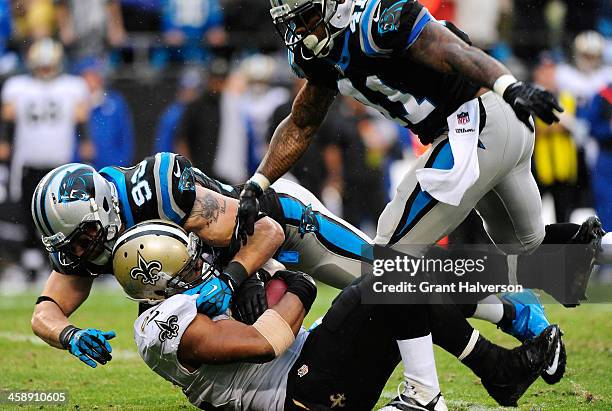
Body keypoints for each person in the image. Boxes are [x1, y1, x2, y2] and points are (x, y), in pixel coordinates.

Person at [233, 0, 571, 406]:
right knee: (529, 246)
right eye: (292, 22)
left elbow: (452, 49)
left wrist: (508, 84)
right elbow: (302, 122)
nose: (301, 30)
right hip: (504, 127)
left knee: (391, 263)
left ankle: (425, 393)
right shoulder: (318, 52)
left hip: (474, 124)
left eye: (304, 17)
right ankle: (582, 252)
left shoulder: (377, 19)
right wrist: (259, 180)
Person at [111, 220, 561, 410]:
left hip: (313, 374)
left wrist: (264, 284)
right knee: (386, 283)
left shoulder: (182, 299)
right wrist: (297, 286)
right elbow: (264, 343)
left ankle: (497, 365)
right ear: (157, 282)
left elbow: (267, 253)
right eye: (187, 267)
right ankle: (429, 395)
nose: (200, 267)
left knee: (407, 274)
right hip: (299, 395)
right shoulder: (164, 328)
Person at [0, 38, 91, 282]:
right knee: (29, 209)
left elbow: (81, 116)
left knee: (60, 211)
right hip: (28, 159)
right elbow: (8, 118)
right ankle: (31, 259)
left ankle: (56, 258)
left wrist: (85, 141)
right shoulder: (18, 87)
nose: (45, 70)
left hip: (58, 162)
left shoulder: (72, 86)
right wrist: (5, 141)